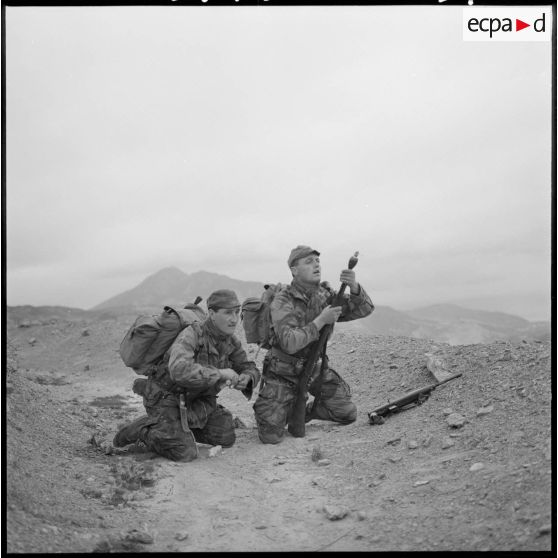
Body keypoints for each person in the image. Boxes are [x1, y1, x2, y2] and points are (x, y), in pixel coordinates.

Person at [113, 289, 260, 461]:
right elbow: (179, 370)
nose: (234, 319)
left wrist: (247, 378)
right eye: (228, 313)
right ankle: (143, 429)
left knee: (225, 436)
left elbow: (248, 366)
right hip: (167, 398)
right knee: (184, 452)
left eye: (237, 312)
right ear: (212, 314)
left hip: (197, 401)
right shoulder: (192, 334)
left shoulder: (230, 341)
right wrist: (219, 373)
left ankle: (173, 428)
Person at [253, 245, 374, 444]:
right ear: (294, 270)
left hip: (313, 368)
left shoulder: (325, 295)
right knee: (271, 436)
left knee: (347, 413)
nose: (316, 265)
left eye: (317, 261)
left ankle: (308, 411)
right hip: (282, 372)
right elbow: (290, 343)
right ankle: (285, 407)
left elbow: (365, 310)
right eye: (308, 262)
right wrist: (321, 320)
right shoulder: (283, 300)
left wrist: (354, 287)